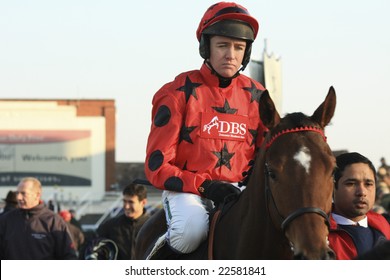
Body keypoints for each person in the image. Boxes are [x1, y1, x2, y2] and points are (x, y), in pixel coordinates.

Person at [144, 2, 267, 259]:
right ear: (206, 47)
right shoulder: (176, 93)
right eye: (222, 45)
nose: (230, 55)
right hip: (187, 193)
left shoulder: (258, 95)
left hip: (240, 191)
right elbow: (157, 166)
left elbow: (267, 155)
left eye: (238, 47)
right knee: (190, 230)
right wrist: (206, 187)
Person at [328, 152, 390, 259]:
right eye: (351, 183)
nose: (362, 192)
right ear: (332, 187)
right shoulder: (316, 236)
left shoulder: (384, 226)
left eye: (368, 184)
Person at [0, 177, 77, 259]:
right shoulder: (6, 220)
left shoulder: (54, 221)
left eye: (23, 193)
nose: (18, 197)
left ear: (37, 195)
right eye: (17, 193)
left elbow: (68, 256)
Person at [96, 183, 150, 260]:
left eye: (131, 202)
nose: (126, 206)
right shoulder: (110, 226)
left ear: (143, 202)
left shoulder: (154, 227)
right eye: (124, 201)